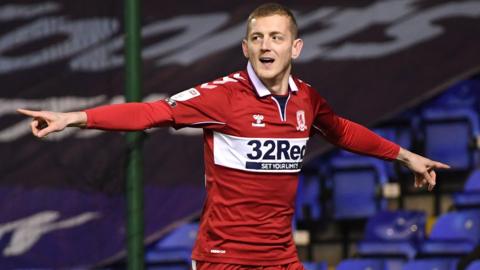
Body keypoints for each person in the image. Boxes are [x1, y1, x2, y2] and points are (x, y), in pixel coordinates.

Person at [18, 3, 450, 270]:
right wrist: (75, 117)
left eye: (276, 37)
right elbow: (152, 113)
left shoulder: (307, 100)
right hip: (224, 260)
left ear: (294, 48)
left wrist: (405, 156)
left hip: (280, 258)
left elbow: (341, 131)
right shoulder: (222, 97)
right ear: (245, 48)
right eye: (257, 37)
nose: (266, 45)